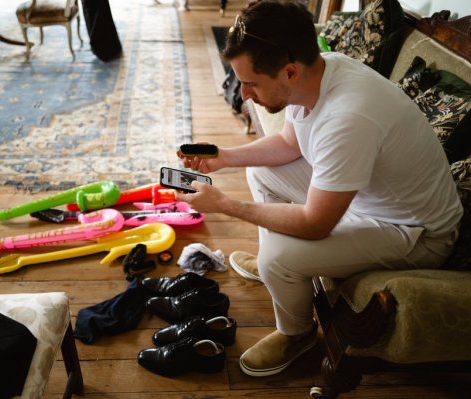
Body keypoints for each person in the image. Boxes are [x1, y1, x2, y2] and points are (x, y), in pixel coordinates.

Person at [176, 0, 463, 378]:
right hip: (367, 196)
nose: (243, 94)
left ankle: (297, 333)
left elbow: (315, 223)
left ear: (290, 72)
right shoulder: (320, 73)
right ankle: (280, 276)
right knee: (263, 174)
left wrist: (226, 205)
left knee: (278, 256)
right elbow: (288, 146)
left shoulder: (348, 118)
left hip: (415, 232)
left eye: (251, 83)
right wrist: (224, 157)